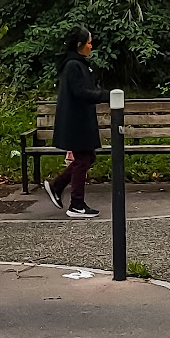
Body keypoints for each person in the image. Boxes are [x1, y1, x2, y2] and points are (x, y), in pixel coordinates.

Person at [44, 26, 109, 219]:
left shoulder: (79, 64)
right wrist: (105, 96)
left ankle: (57, 186)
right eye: (89, 42)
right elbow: (80, 92)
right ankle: (76, 204)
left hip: (81, 119)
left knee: (87, 157)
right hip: (76, 121)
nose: (91, 46)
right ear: (79, 45)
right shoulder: (73, 65)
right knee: (83, 159)